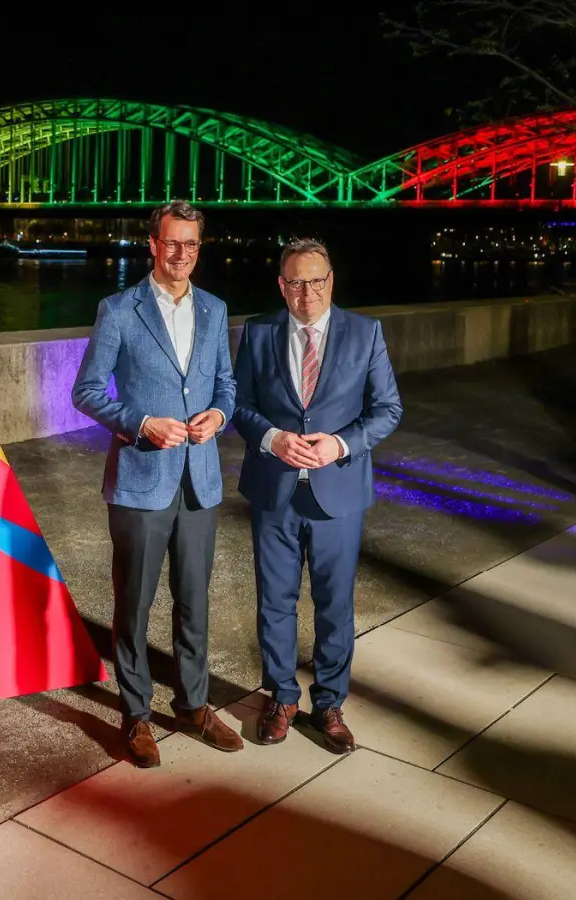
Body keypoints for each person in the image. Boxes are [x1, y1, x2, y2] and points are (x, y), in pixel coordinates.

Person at [72, 201, 241, 767]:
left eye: (191, 245)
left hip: (200, 481)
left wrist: (219, 416)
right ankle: (137, 714)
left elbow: (226, 387)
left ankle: (193, 705)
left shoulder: (215, 310)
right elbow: (89, 391)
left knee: (194, 601)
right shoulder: (120, 309)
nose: (181, 254)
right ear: (152, 243)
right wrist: (140, 424)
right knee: (135, 604)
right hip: (141, 480)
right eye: (172, 243)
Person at [231, 237, 402, 754]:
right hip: (274, 489)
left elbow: (387, 408)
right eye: (297, 282)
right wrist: (271, 438)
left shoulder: (365, 332)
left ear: (332, 282)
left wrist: (340, 443)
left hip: (338, 492)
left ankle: (329, 703)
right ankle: (281, 697)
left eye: (317, 280)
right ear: (282, 286)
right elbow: (239, 404)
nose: (308, 292)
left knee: (334, 604)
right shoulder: (258, 332)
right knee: (275, 601)